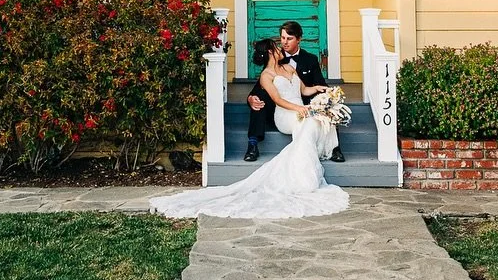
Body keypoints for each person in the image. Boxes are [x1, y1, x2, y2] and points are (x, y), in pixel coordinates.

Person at [148, 39, 348, 219]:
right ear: (270, 52)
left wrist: (319, 90)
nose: (280, 49)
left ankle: (304, 171)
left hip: (299, 109)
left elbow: (303, 90)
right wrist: (300, 109)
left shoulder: (290, 69)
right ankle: (304, 174)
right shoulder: (266, 76)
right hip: (285, 114)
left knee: (318, 119)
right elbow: (277, 99)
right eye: (277, 47)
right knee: (309, 121)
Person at [245, 21, 344, 163]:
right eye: (282, 38)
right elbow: (261, 89)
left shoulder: (309, 60)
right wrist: (250, 99)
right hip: (282, 108)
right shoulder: (270, 67)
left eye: (289, 39)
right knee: (257, 98)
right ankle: (253, 143)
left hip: (303, 101)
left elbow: (314, 86)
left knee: (326, 108)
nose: (284, 43)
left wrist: (327, 95)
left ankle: (334, 149)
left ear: (299, 39)